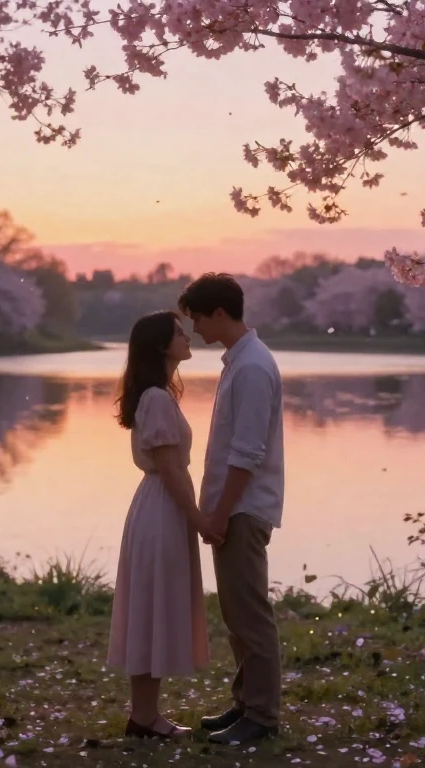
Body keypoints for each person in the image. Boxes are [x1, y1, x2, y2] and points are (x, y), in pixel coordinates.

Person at [179, 273, 286, 745]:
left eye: (198, 318)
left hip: (243, 508)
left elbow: (247, 453)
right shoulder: (239, 362)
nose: (195, 328)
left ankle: (262, 716)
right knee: (236, 615)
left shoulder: (252, 368)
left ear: (219, 313)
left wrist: (220, 513)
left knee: (250, 615)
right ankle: (245, 703)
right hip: (233, 506)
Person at [106, 310, 223, 739]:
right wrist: (201, 521)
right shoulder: (156, 398)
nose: (187, 337)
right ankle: (144, 717)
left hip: (159, 506)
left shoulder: (158, 396)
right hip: (162, 507)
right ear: (161, 345)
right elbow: (171, 469)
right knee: (151, 608)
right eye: (178, 333)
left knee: (151, 607)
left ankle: (145, 715)